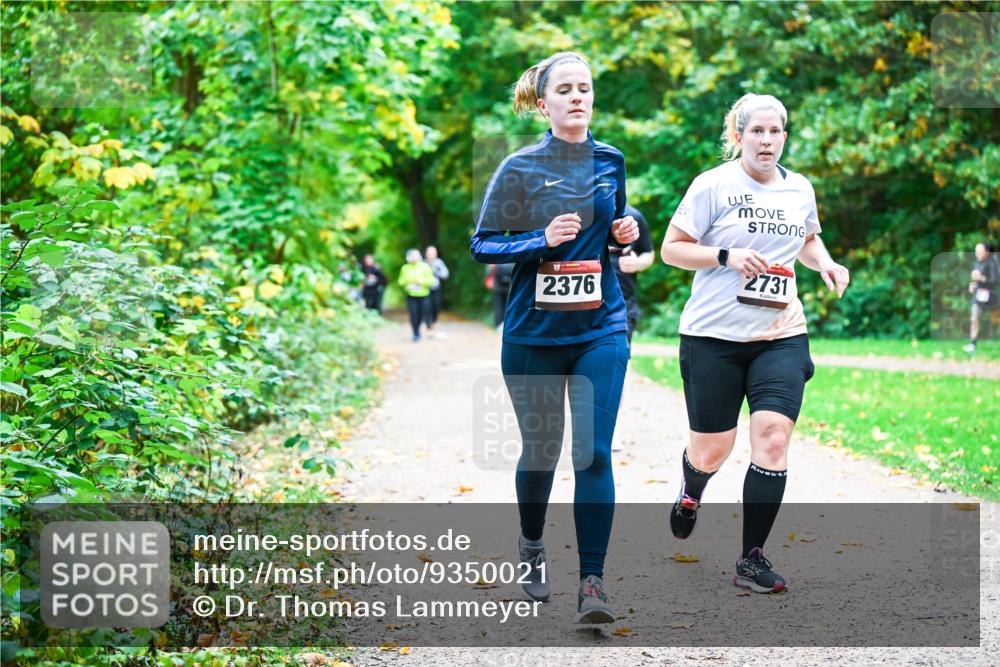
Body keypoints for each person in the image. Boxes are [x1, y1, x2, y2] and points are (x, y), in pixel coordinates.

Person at [470, 51, 639, 624]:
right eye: (564, 89)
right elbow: (484, 243)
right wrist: (538, 240)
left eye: (584, 88)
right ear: (544, 104)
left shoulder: (611, 159)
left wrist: (625, 228)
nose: (577, 97)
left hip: (601, 324)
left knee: (592, 451)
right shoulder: (519, 166)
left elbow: (612, 224)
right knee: (541, 451)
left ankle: (592, 582)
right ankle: (533, 544)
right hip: (533, 333)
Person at [660, 93, 850, 594]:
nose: (767, 141)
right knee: (711, 450)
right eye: (757, 132)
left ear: (784, 136)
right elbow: (671, 249)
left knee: (772, 438)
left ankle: (751, 559)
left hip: (781, 335)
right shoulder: (713, 185)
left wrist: (826, 263)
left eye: (775, 132)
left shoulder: (800, 188)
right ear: (739, 135)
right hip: (712, 337)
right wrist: (725, 255)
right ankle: (691, 488)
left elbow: (807, 240)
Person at [608, 203, 655, 344]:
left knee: (618, 358)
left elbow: (648, 252)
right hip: (585, 301)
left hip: (624, 302)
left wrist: (638, 263)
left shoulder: (633, 216)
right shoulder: (583, 213)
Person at [964, 241, 998, 352]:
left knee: (996, 320)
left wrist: (981, 278)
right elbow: (976, 280)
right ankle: (973, 344)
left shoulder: (993, 263)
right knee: (974, 318)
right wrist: (973, 285)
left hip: (991, 296)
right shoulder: (977, 263)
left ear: (987, 252)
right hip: (978, 295)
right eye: (976, 251)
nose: (977, 253)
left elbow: (994, 281)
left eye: (979, 251)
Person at [398, 248, 435, 342]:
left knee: (421, 315)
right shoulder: (405, 268)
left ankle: (419, 329)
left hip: (423, 295)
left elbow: (431, 280)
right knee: (413, 314)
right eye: (412, 255)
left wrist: (421, 282)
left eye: (416, 255)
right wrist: (408, 283)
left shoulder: (425, 267)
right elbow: (400, 282)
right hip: (411, 295)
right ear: (409, 257)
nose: (414, 257)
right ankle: (416, 333)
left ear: (419, 256)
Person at [424, 246, 450, 333]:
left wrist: (436, 271)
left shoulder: (439, 262)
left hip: (436, 288)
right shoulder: (423, 263)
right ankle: (428, 325)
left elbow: (446, 275)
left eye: (433, 253)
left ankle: (434, 321)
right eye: (429, 253)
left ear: (436, 254)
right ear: (426, 254)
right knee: (427, 307)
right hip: (425, 289)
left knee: (436, 306)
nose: (431, 255)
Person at [485, 262, 515, 330]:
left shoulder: (495, 257)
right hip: (509, 285)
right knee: (509, 305)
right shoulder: (511, 258)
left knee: (498, 306)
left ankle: (498, 325)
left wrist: (488, 279)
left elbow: (490, 270)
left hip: (497, 285)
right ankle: (508, 325)